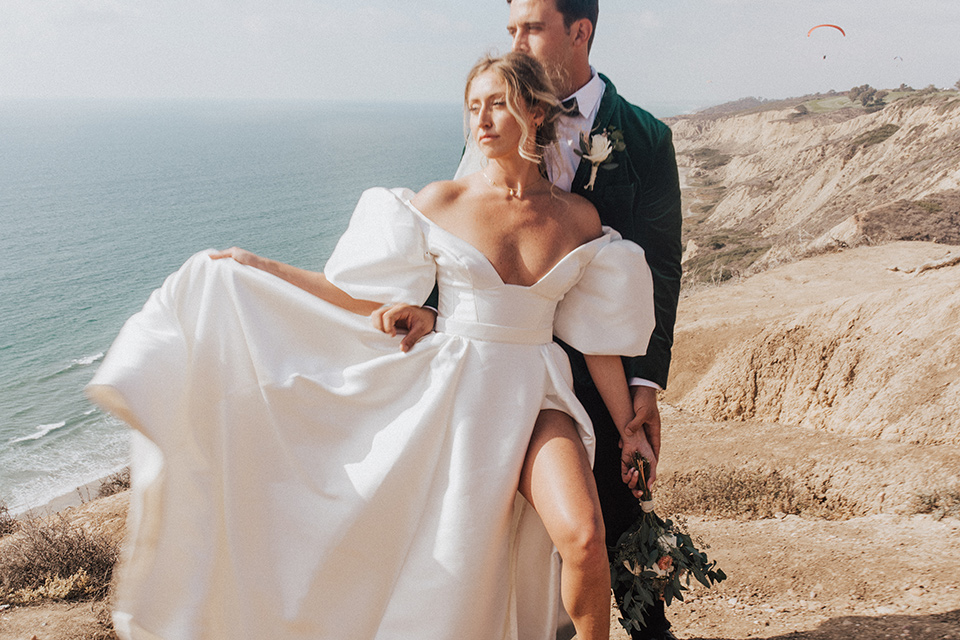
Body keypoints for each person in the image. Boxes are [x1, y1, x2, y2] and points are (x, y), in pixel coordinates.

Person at [87, 52, 655, 640]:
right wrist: (259, 266)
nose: (481, 121)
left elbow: (596, 341)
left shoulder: (578, 218)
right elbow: (354, 290)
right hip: (454, 400)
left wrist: (629, 425)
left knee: (585, 538)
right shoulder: (442, 202)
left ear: (534, 113)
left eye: (496, 105)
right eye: (472, 108)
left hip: (538, 393)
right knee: (444, 572)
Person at [455, 2, 684, 638]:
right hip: (505, 359)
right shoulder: (495, 118)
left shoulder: (643, 138)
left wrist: (645, 386)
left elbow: (659, 270)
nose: (517, 41)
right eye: (511, 30)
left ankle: (649, 628)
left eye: (531, 27)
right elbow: (454, 237)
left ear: (579, 31)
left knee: (622, 505)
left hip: (598, 362)